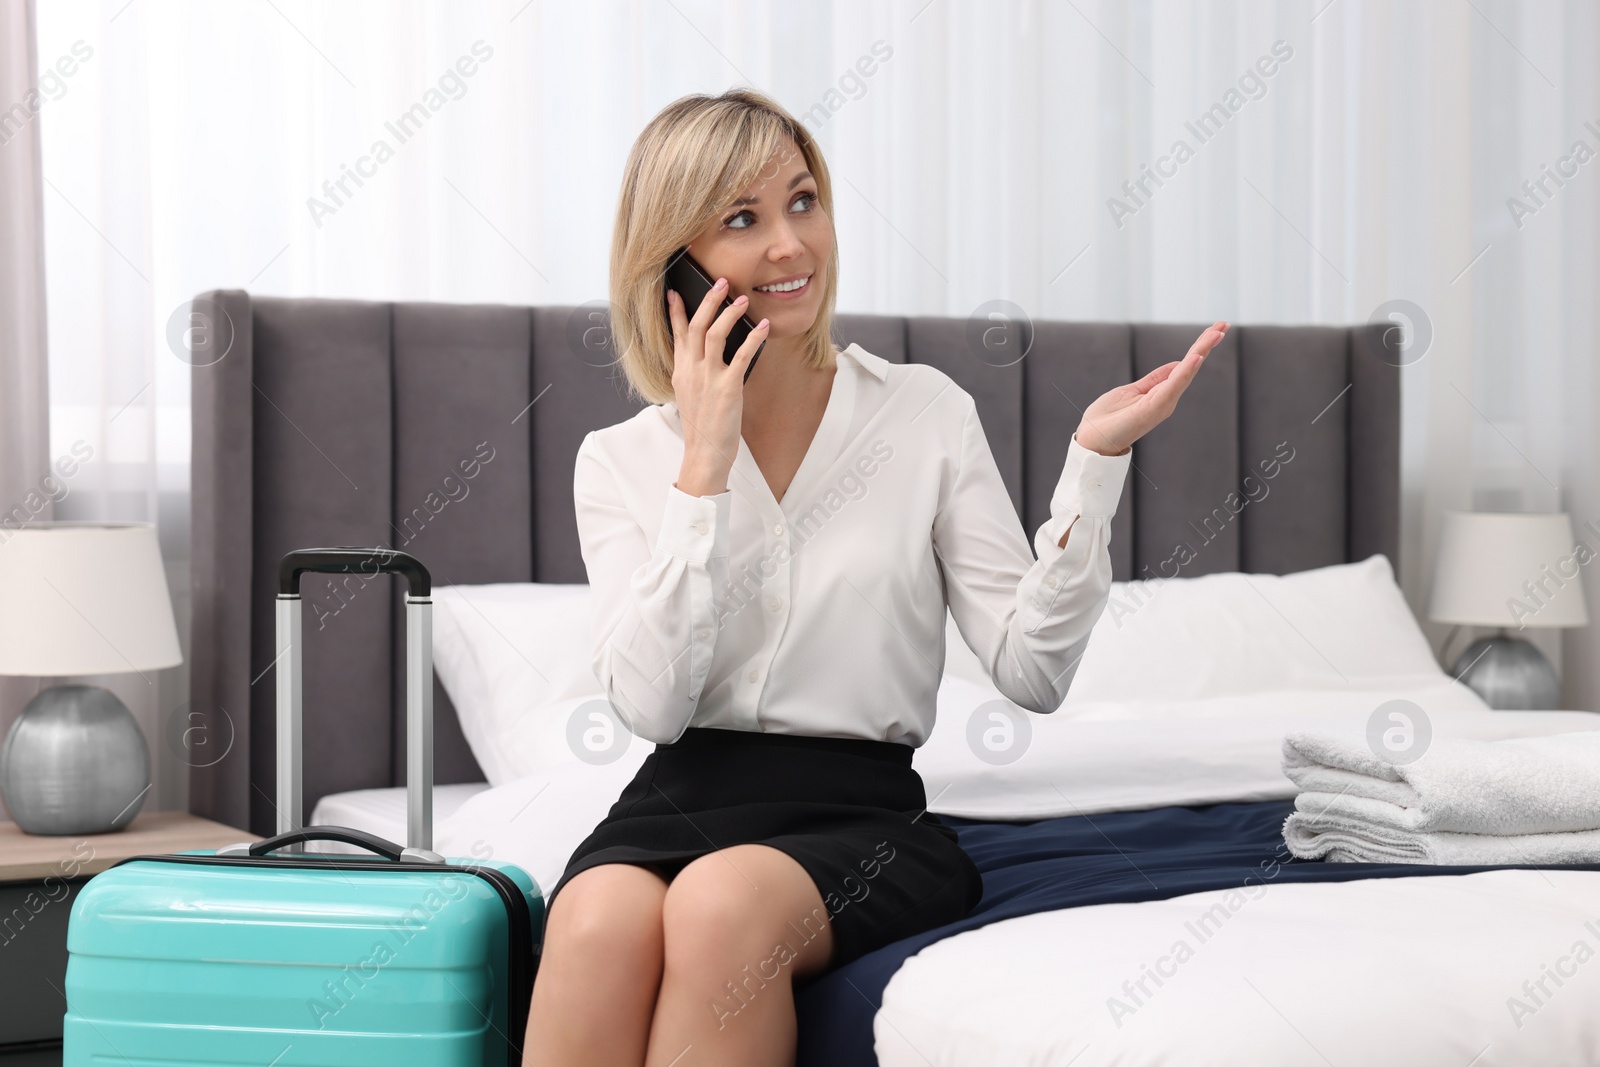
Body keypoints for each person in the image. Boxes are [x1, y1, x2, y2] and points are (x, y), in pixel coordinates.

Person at [521, 87, 1228, 1067]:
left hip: (858, 808)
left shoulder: (920, 412)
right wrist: (702, 471)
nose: (789, 245)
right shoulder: (621, 460)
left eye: (801, 201)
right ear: (672, 265)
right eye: (742, 220)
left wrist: (1092, 467)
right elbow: (650, 705)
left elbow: (1031, 671)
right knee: (594, 916)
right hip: (678, 791)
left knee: (720, 904)